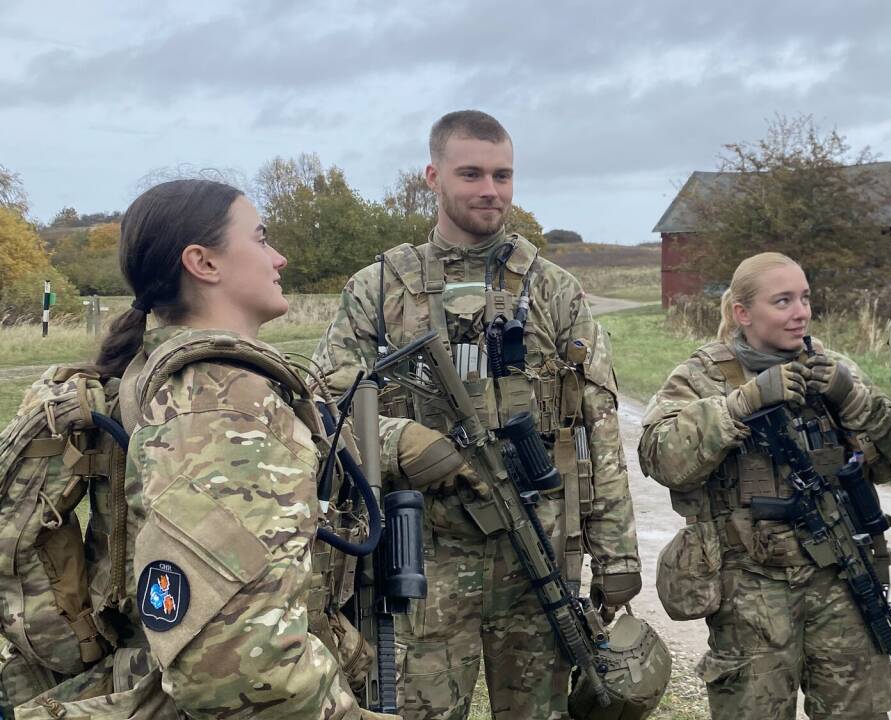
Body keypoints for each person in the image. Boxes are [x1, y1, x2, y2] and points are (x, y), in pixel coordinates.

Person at [20, 179, 455, 719]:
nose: (280, 256)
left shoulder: (178, 379)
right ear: (203, 263)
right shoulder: (222, 403)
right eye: (261, 237)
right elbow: (242, 669)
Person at [313, 110, 642, 719]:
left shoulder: (554, 290)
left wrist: (616, 554)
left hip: (536, 550)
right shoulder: (377, 287)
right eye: (471, 173)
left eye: (503, 175)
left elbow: (598, 425)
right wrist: (399, 440)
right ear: (432, 177)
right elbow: (324, 409)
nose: (490, 189)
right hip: (422, 554)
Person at [638, 252, 891, 720]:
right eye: (783, 301)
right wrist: (739, 406)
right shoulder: (704, 375)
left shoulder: (833, 369)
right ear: (743, 313)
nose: (800, 312)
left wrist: (852, 397)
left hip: (843, 582)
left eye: (804, 298)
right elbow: (659, 455)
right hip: (750, 589)